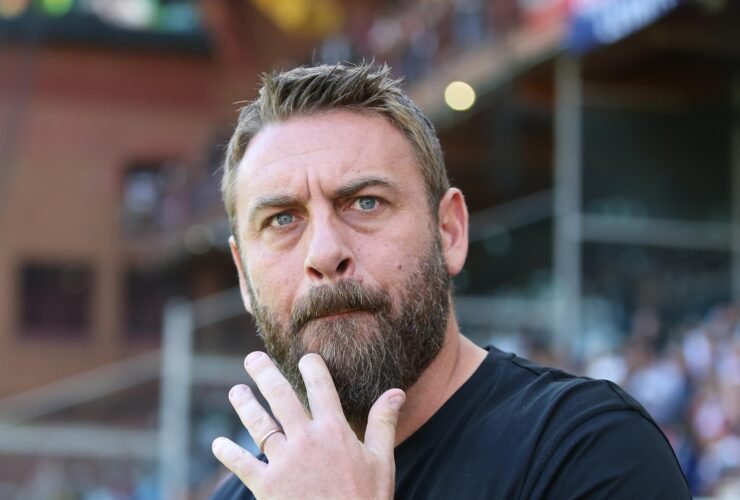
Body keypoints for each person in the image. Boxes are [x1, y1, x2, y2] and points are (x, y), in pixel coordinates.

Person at [210, 63, 690, 499]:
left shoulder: (590, 450)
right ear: (243, 276)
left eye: (366, 203)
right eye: (282, 219)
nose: (324, 253)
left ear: (450, 233)